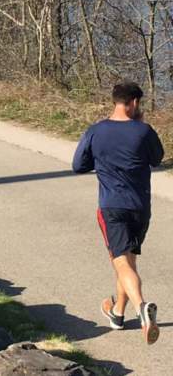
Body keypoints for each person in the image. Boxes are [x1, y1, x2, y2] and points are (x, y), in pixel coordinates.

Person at [73, 81, 164, 345]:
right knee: (126, 261)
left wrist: (100, 160)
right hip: (140, 209)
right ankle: (117, 314)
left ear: (117, 101)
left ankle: (142, 308)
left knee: (121, 262)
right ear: (134, 102)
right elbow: (157, 158)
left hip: (112, 207)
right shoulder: (144, 131)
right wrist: (141, 128)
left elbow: (78, 165)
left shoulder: (96, 131)